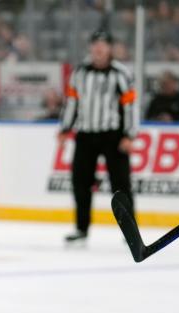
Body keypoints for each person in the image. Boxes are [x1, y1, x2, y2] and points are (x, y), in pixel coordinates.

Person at [59, 29, 136, 244]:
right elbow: (71, 103)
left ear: (110, 48)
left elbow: (130, 107)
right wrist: (65, 129)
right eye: (95, 44)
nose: (99, 48)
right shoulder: (79, 73)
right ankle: (81, 228)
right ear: (90, 47)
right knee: (80, 182)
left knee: (121, 185)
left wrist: (130, 134)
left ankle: (129, 232)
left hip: (113, 135)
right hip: (85, 134)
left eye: (103, 44)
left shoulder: (121, 73)